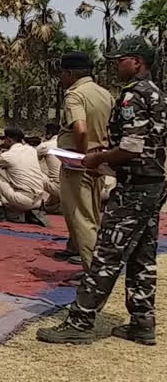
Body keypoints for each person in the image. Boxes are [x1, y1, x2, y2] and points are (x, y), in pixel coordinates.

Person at [37, 35, 166, 346]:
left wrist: (98, 158)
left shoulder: (133, 96)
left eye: (121, 60)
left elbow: (131, 148)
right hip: (154, 182)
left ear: (138, 62)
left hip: (135, 187)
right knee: (141, 256)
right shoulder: (157, 94)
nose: (116, 66)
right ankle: (141, 322)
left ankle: (80, 322)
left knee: (106, 254)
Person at [55, 52, 115, 269]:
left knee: (81, 220)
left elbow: (80, 129)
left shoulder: (75, 95)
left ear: (70, 73)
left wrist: (83, 157)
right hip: (98, 161)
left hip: (79, 166)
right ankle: (98, 267)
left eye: (62, 73)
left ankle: (93, 273)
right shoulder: (105, 94)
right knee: (93, 216)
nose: (61, 78)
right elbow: (110, 129)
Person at [0, 126, 49, 226]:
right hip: (39, 200)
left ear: (9, 140)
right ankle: (30, 211)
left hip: (23, 200)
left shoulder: (8, 155)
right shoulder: (32, 150)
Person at [35, 123, 61, 214]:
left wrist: (42, 143)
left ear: (49, 134)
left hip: (58, 187)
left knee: (32, 172)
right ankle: (53, 205)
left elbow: (30, 159)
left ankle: (33, 201)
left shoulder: (46, 145)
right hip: (70, 187)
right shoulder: (67, 144)